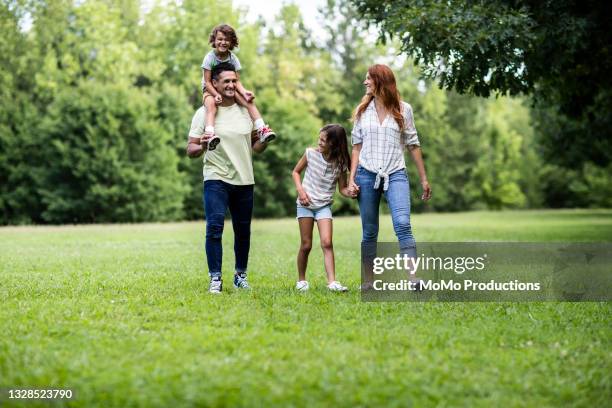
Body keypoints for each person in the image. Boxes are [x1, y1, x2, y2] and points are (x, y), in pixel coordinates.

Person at [187, 62, 269, 294]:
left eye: (234, 81)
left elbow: (256, 147)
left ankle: (240, 275)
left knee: (243, 231)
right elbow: (190, 149)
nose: (232, 85)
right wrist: (202, 145)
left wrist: (263, 141)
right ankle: (215, 278)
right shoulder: (204, 113)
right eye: (226, 81)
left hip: (244, 179)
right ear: (214, 84)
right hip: (216, 178)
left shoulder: (246, 110)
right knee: (214, 227)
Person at [347, 64, 432, 288]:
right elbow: (356, 147)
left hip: (396, 174)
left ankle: (414, 280)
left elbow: (413, 145)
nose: (365, 82)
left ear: (381, 81)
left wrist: (423, 178)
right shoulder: (362, 111)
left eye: (369, 79)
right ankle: (368, 282)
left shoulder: (404, 110)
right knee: (369, 230)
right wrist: (351, 178)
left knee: (403, 223)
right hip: (366, 174)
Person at [291, 124, 353, 292]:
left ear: (333, 143)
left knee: (327, 242)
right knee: (306, 245)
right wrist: (301, 191)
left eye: (323, 140)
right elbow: (295, 172)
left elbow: (343, 189)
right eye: (319, 138)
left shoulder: (340, 164)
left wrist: (352, 192)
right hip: (306, 205)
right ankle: (301, 281)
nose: (319, 142)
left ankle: (332, 282)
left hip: (324, 206)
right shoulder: (310, 154)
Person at [200, 24, 276, 151]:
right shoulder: (210, 58)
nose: (223, 42)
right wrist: (215, 94)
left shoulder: (233, 59)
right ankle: (209, 134)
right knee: (211, 105)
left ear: (231, 42)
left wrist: (244, 92)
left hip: (229, 88)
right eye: (220, 39)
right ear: (214, 40)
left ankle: (262, 129)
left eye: (226, 40)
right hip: (210, 89)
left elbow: (237, 82)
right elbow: (207, 82)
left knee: (249, 102)